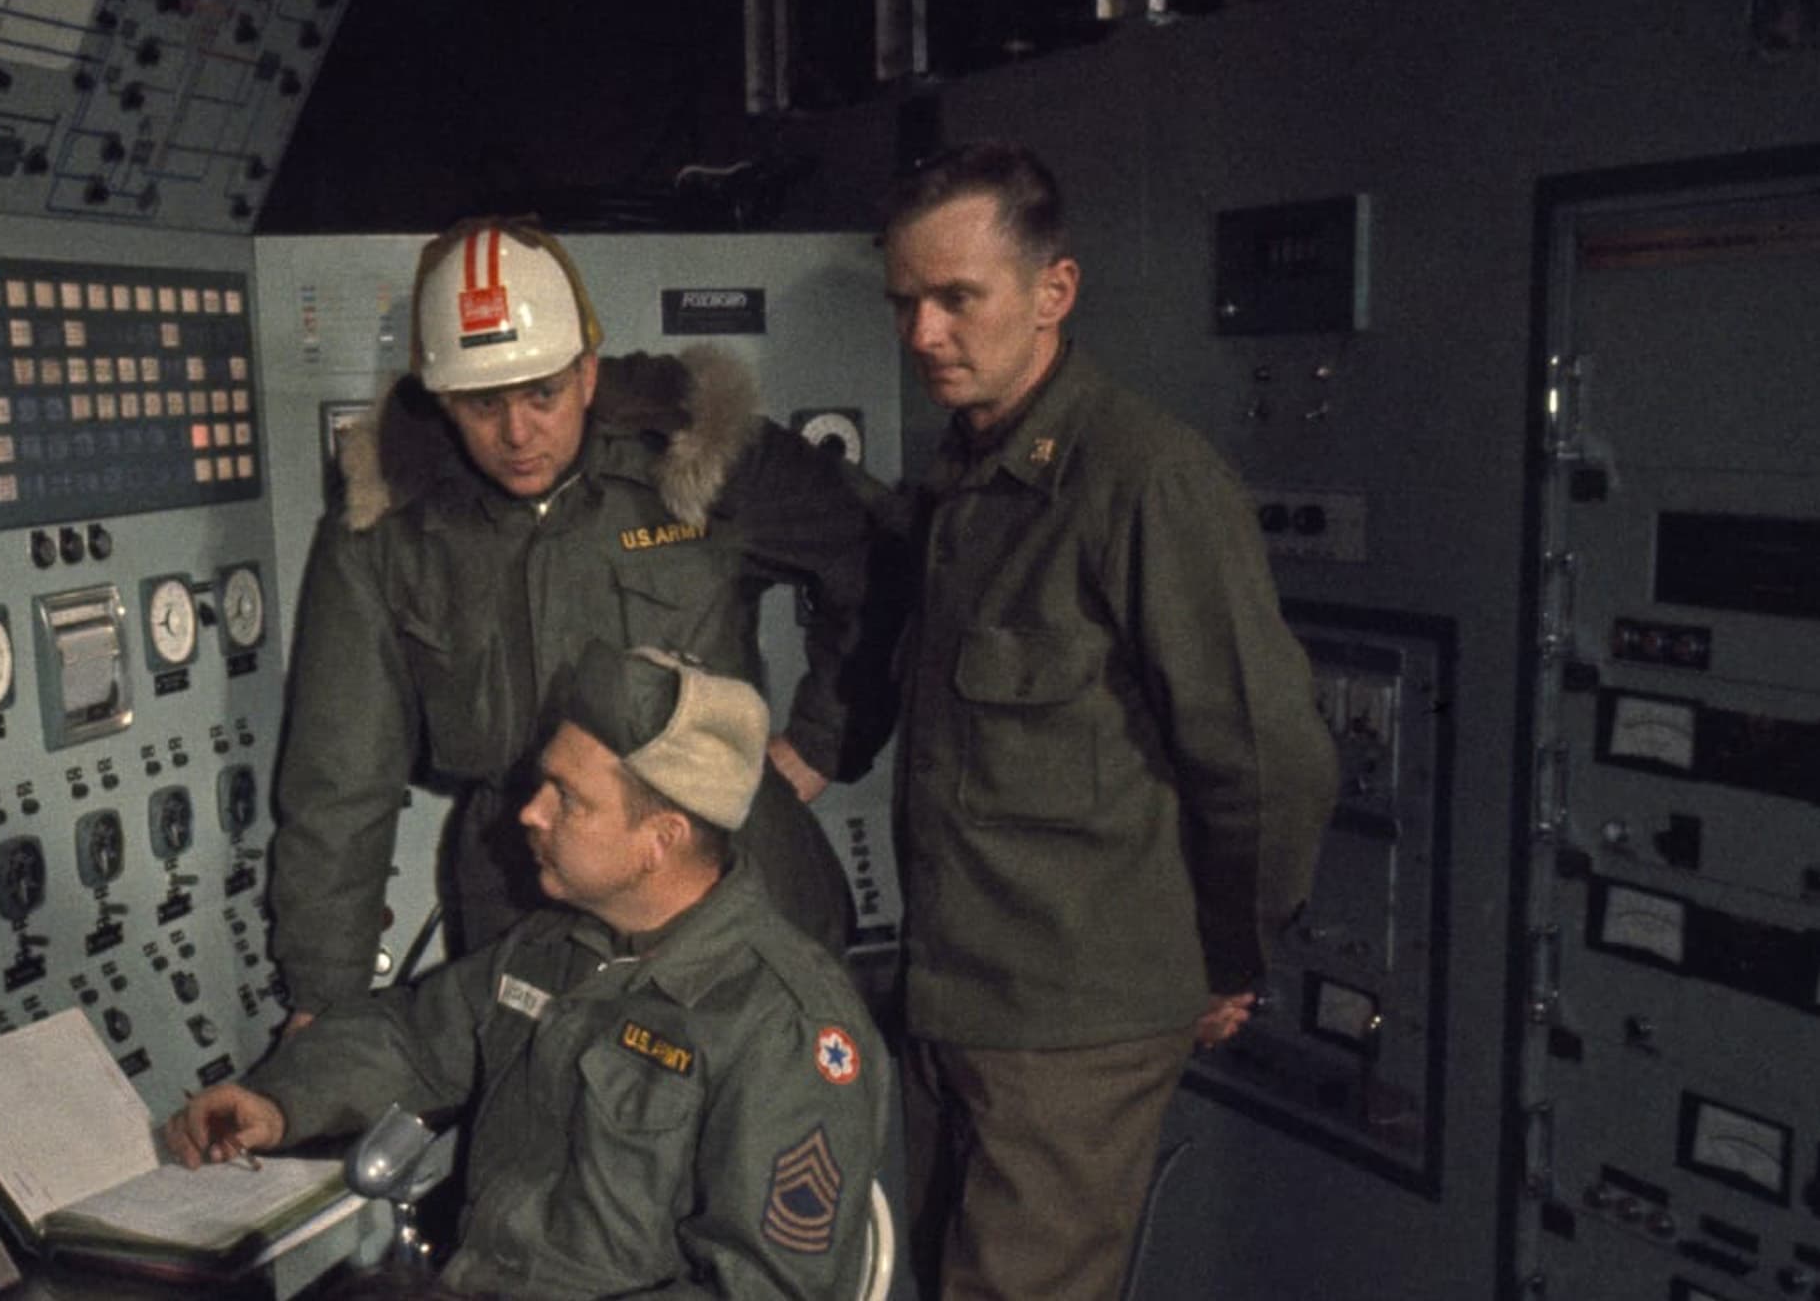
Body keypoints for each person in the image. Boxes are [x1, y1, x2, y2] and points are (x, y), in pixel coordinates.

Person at [879, 141, 1337, 1300]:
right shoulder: (964, 476)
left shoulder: (1145, 480)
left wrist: (1231, 950)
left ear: (1054, 292)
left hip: (1071, 1025)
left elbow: (1270, 756)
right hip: (955, 1001)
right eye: (907, 301)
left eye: (956, 299)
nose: (924, 333)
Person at [269, 216, 886, 1026]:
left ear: (587, 374)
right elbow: (338, 781)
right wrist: (324, 1000)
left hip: (729, 884)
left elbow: (875, 553)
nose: (517, 433)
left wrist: (823, 738)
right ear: (441, 398)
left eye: (542, 394)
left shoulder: (694, 455)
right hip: (525, 896)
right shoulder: (393, 529)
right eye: (483, 404)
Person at [170, 643, 890, 1299]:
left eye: (568, 799)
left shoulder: (784, 1026)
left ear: (659, 841)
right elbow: (413, 1037)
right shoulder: (556, 949)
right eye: (544, 784)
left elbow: (760, 1290)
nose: (532, 814)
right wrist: (281, 1103)